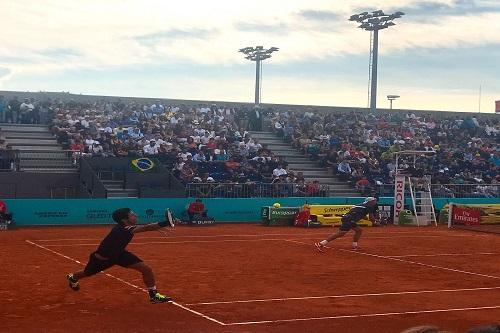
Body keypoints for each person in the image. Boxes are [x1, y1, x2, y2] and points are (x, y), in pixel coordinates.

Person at [66, 208, 174, 303]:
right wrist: (165, 222)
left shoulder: (128, 227)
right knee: (86, 273)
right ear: (124, 219)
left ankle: (153, 295)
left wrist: (168, 222)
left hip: (119, 254)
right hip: (102, 259)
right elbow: (146, 227)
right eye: (132, 214)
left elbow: (147, 227)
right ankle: (73, 277)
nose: (135, 215)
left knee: (146, 269)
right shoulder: (122, 229)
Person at [314, 197, 379, 252]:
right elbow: (371, 218)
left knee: (359, 230)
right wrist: (375, 221)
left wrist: (371, 220)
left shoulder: (359, 205)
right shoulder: (370, 207)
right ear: (370, 202)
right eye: (374, 201)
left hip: (348, 218)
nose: (375, 202)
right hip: (349, 219)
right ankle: (321, 244)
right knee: (341, 233)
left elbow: (363, 216)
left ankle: (354, 245)